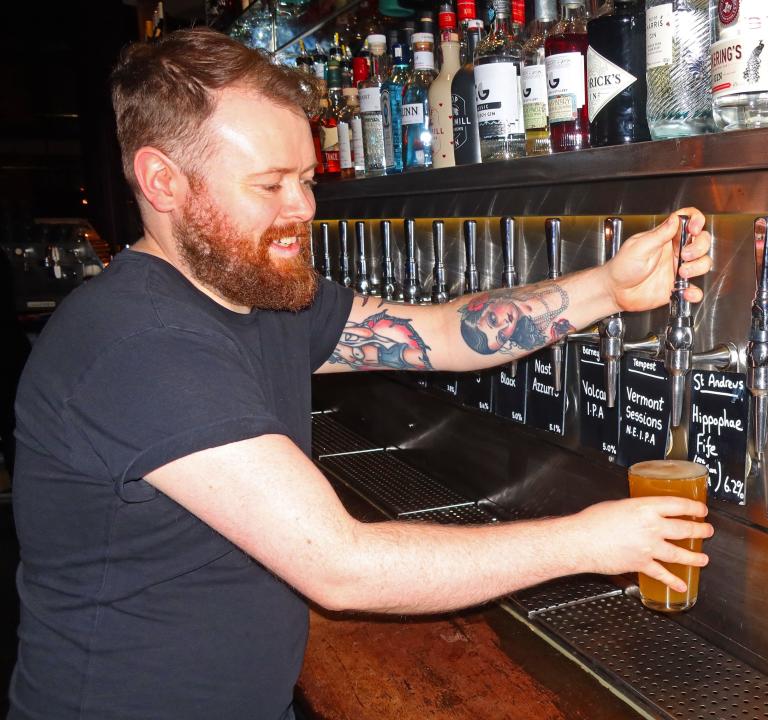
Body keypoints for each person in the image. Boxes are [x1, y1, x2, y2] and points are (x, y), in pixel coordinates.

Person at [8, 28, 715, 720]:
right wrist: (587, 541)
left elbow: (440, 335)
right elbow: (341, 567)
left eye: (308, 180)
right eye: (270, 184)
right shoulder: (138, 343)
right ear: (162, 180)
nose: (303, 209)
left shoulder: (259, 292)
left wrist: (611, 289)